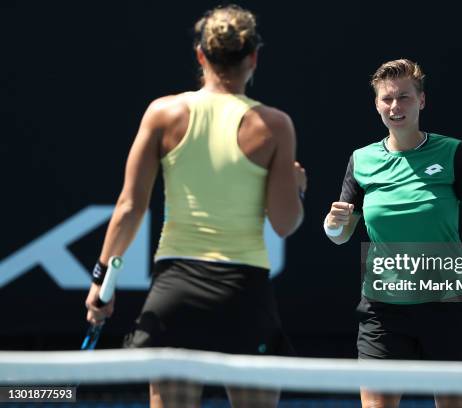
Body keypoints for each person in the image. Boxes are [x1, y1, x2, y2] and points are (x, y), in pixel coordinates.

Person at [84, 5, 306, 408]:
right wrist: (297, 187)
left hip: (176, 296)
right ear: (253, 58)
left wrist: (101, 280)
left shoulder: (163, 113)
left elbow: (130, 207)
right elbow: (285, 223)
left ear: (201, 55)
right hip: (244, 298)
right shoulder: (275, 125)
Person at [323, 59, 462, 408]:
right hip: (383, 309)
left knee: (452, 403)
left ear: (421, 101)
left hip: (446, 304)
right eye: (386, 99)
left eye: (404, 97)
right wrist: (333, 224)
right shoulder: (361, 160)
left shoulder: (452, 152)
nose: (395, 106)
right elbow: (340, 235)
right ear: (376, 105)